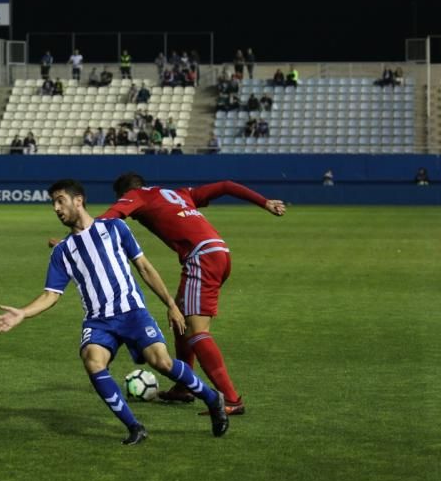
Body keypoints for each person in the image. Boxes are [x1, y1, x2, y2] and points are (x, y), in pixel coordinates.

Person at [0, 179, 229, 445]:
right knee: (92, 361)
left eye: (60, 201)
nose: (56, 208)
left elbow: (145, 268)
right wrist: (23, 313)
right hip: (98, 321)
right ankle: (134, 426)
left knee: (161, 362)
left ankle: (212, 398)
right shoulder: (62, 252)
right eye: (53, 204)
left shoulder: (115, 228)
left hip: (132, 312)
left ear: (78, 200)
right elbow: (51, 295)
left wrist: (171, 305)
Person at [50, 174, 286, 413]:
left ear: (123, 194)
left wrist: (71, 244)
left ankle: (232, 400)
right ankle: (183, 387)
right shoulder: (180, 193)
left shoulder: (136, 195)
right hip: (219, 251)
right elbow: (225, 185)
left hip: (201, 256)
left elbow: (102, 224)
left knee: (197, 332)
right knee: (181, 320)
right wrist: (264, 202)